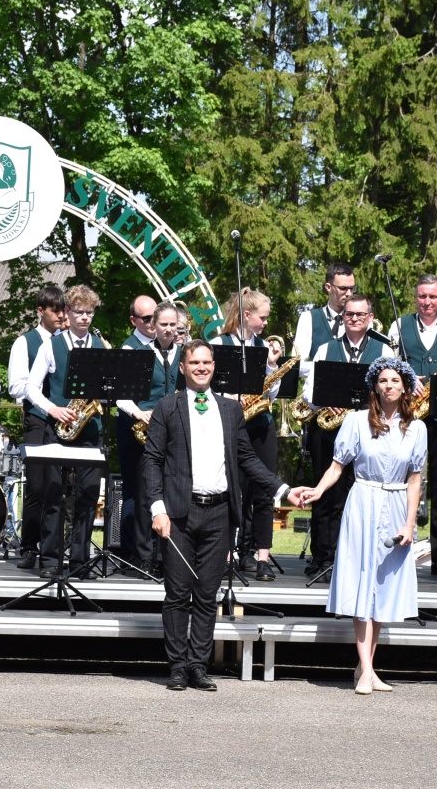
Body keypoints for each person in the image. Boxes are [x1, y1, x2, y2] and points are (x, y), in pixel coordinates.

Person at [143, 340, 306, 691]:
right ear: (183, 368)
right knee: (177, 593)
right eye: (194, 362)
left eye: (207, 362)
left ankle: (198, 665)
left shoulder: (230, 411)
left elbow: (247, 459)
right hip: (178, 514)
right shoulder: (167, 407)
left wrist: (283, 490)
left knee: (206, 594)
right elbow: (152, 460)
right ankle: (176, 666)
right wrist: (158, 509)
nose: (201, 367)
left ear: (214, 366)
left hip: (219, 512)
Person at [303, 356, 426, 695]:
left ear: (404, 387)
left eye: (395, 381)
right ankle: (366, 671)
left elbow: (415, 480)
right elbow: (337, 466)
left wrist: (409, 522)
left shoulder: (417, 428)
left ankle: (367, 667)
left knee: (383, 589)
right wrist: (318, 489)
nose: (389, 386)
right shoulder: (356, 421)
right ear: (375, 386)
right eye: (383, 380)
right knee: (362, 585)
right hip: (364, 502)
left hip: (397, 502)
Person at [383, 275, 437, 578]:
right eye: (422, 296)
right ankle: (395, 550)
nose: (427, 302)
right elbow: (386, 368)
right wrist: (407, 379)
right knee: (401, 482)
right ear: (415, 298)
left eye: (433, 297)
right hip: (408, 415)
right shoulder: (398, 326)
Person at [25, 284, 108, 579]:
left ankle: (80, 561)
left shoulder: (101, 347)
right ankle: (50, 560)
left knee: (87, 495)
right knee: (54, 494)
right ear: (68, 313)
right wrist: (53, 409)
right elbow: (31, 388)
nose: (85, 318)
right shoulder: (51, 345)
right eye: (79, 312)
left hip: (89, 430)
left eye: (89, 312)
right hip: (57, 427)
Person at [300, 294, 384, 577]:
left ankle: (352, 559)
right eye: (350, 314)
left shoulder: (385, 351)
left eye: (361, 314)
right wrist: (325, 400)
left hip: (367, 433)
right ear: (342, 317)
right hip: (329, 431)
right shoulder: (325, 348)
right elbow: (308, 391)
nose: (355, 319)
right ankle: (321, 557)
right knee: (324, 495)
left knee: (357, 496)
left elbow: (391, 390)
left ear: (370, 318)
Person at [209, 288, 282, 581]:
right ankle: (227, 556)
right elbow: (207, 383)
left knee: (264, 491)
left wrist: (273, 365)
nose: (265, 323)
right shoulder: (218, 343)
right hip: (229, 424)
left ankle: (261, 556)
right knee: (229, 490)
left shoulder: (264, 346)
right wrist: (230, 398)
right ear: (247, 315)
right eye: (262, 318)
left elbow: (273, 392)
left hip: (261, 423)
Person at [115, 300, 183, 577]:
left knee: (173, 492)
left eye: (172, 325)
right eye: (163, 325)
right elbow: (121, 393)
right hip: (145, 429)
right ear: (152, 326)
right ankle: (144, 556)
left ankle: (166, 555)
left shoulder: (185, 353)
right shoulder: (138, 352)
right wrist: (138, 412)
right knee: (146, 493)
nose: (168, 330)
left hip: (176, 432)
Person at [6, 285, 66, 569]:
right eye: (55, 310)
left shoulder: (67, 341)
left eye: (63, 309)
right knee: (37, 486)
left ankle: (54, 547)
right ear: (41, 311)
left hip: (66, 423)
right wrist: (40, 390)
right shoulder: (25, 342)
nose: (61, 315)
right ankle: (29, 547)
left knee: (60, 487)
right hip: (37, 420)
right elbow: (15, 386)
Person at [113, 295, 159, 568]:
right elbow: (120, 395)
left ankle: (153, 550)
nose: (152, 323)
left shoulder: (164, 347)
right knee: (136, 489)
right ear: (134, 321)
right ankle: (132, 551)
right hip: (134, 423)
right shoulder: (129, 349)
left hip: (158, 423)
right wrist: (139, 413)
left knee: (154, 489)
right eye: (146, 319)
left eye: (155, 316)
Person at [293, 262, 356, 376]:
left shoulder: (360, 319)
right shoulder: (308, 318)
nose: (349, 293)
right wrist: (329, 367)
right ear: (328, 287)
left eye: (352, 288)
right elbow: (295, 364)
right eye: (343, 288)